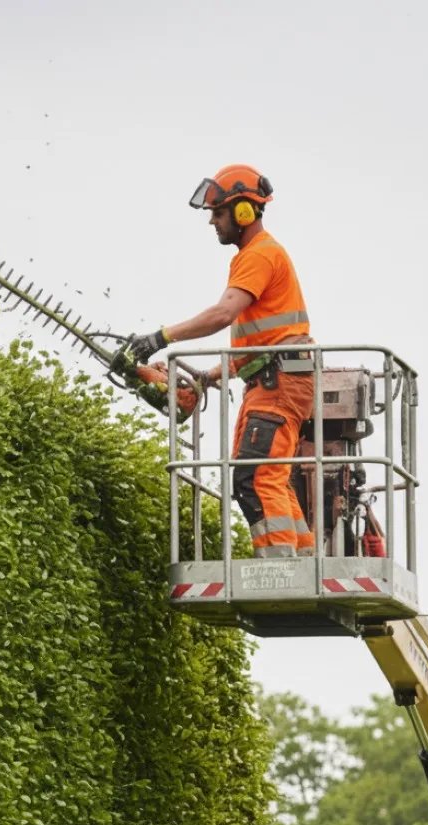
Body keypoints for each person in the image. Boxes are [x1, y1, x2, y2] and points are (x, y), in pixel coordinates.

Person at [125, 164, 316, 558]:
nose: (212, 221)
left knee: (256, 478)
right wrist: (209, 376)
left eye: (219, 212)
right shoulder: (260, 255)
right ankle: (303, 560)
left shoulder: (260, 255)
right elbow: (261, 339)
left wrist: (159, 338)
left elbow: (222, 315)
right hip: (271, 378)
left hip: (278, 382)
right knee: (269, 478)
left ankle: (280, 574)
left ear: (244, 212)